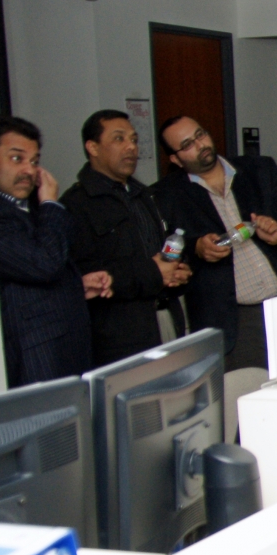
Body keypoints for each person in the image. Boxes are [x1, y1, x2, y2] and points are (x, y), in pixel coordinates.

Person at [155, 115, 277, 371]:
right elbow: (166, 256)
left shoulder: (258, 169)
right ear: (174, 158)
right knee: (252, 395)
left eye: (200, 134)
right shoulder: (165, 195)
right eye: (187, 144)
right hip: (236, 320)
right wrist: (196, 248)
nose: (200, 144)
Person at [62, 109, 191, 367]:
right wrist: (155, 272)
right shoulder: (76, 205)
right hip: (120, 337)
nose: (131, 147)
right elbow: (86, 276)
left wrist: (178, 269)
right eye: (119, 139)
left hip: (166, 318)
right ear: (93, 147)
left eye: (134, 139)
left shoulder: (144, 194)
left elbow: (163, 247)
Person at [0, 115, 109, 386]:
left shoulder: (28, 209)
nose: (30, 171)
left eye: (34, 161)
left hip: (66, 352)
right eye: (17, 158)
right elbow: (44, 263)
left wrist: (75, 286)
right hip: (35, 360)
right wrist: (51, 205)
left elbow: (34, 274)